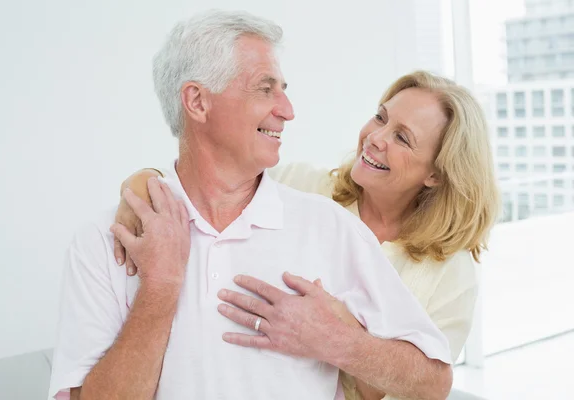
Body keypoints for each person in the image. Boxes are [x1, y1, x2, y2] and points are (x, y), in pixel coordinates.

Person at [48, 10, 453, 400]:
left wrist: (335, 341)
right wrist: (161, 286)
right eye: (265, 88)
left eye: (284, 90)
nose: (288, 111)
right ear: (197, 101)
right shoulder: (108, 242)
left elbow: (434, 382)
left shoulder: (328, 226)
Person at [115, 72, 501, 400]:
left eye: (402, 138)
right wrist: (142, 181)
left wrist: (335, 337)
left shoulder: (450, 269)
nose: (375, 137)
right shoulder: (303, 187)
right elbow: (211, 182)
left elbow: (425, 386)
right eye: (379, 117)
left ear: (435, 173)